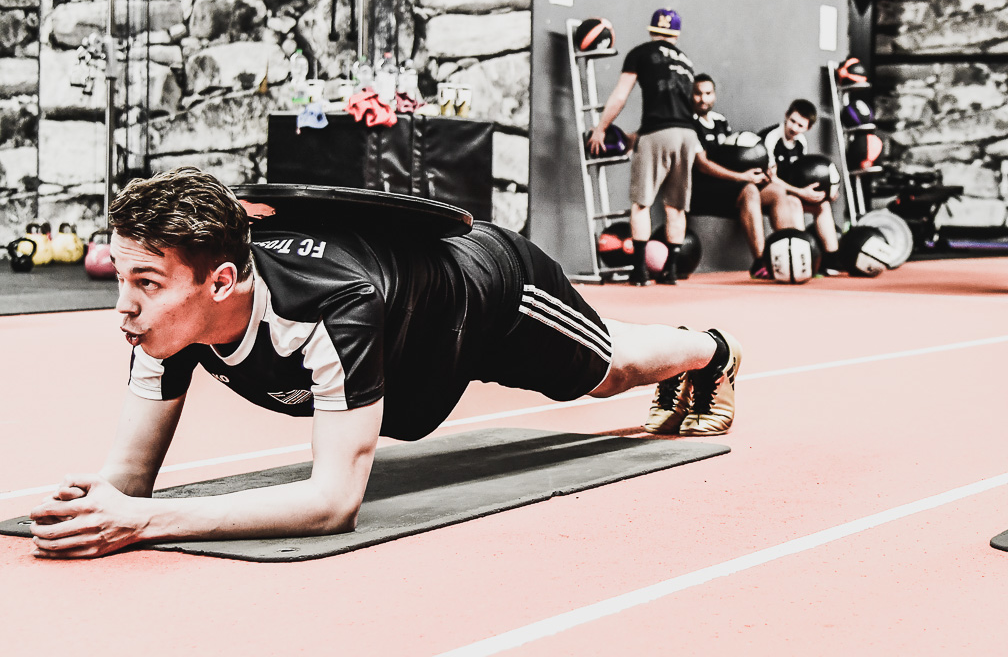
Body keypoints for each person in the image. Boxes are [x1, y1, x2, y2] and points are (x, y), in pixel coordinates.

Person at [27, 168, 742, 559]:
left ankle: (709, 350)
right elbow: (127, 484)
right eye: (120, 279)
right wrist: (102, 509)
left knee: (603, 372)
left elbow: (331, 503)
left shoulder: (331, 307)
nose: (123, 307)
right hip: (410, 348)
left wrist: (146, 522)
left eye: (145, 283)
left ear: (220, 282)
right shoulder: (160, 329)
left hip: (485, 292)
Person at [586, 8, 698, 285]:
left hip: (658, 132)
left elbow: (620, 96)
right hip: (688, 135)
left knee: (641, 204)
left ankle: (639, 272)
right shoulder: (686, 61)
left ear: (652, 29)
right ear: (676, 34)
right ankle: (670, 271)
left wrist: (600, 128)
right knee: (676, 208)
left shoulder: (640, 53)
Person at [687, 74, 784, 275]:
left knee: (776, 191)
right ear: (691, 95)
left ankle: (787, 252)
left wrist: (762, 170)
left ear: (714, 95)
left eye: (707, 93)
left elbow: (733, 157)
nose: (703, 99)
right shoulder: (689, 124)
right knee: (749, 190)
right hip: (701, 191)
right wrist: (743, 177)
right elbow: (703, 165)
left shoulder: (720, 121)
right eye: (698, 94)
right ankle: (760, 262)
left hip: (729, 187)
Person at [761, 99, 843, 276]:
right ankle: (802, 255)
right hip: (769, 191)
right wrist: (801, 192)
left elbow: (803, 175)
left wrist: (827, 191)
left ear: (808, 128)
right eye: (792, 121)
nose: (794, 128)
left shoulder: (800, 143)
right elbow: (770, 179)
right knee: (794, 202)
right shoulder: (771, 139)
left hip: (792, 191)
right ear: (786, 116)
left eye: (800, 125)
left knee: (823, 205)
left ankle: (831, 259)